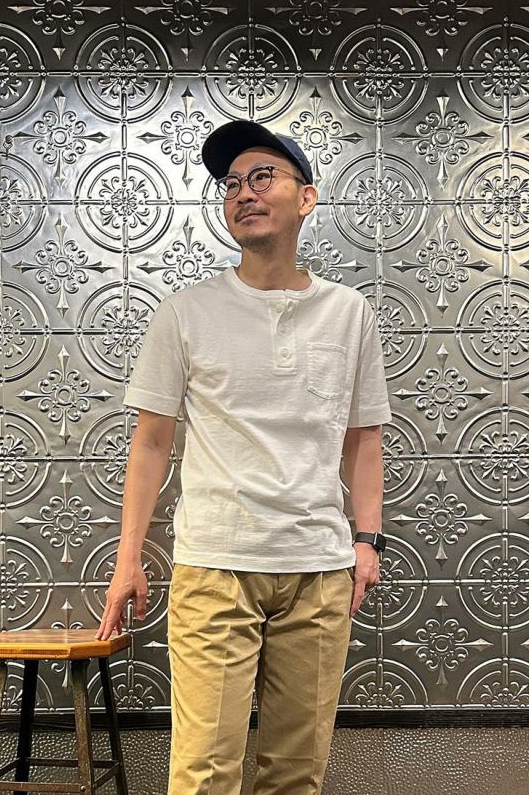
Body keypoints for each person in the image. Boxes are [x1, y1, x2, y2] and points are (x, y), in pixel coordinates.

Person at [96, 119, 392, 795]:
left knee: (296, 773)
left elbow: (363, 437)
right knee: (204, 772)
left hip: (319, 569)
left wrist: (367, 540)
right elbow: (151, 440)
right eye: (231, 184)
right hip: (215, 565)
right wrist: (127, 558)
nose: (243, 194)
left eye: (262, 177)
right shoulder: (186, 311)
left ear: (306, 198)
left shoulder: (349, 313)